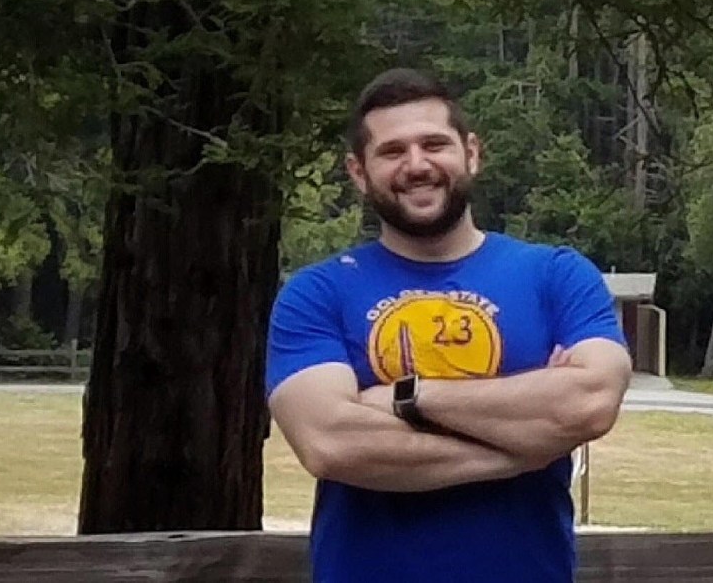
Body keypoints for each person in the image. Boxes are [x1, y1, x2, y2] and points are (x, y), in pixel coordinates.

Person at [266, 68, 632, 583]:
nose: (417, 165)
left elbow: (590, 402)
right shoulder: (315, 293)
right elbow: (332, 443)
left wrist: (406, 397)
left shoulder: (557, 275)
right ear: (358, 172)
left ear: (471, 153)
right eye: (393, 151)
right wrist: (523, 449)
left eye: (434, 144)